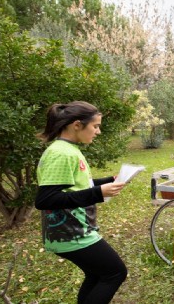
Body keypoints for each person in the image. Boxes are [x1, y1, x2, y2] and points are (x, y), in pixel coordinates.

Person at [35, 101, 128, 303]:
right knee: (115, 273)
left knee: (97, 274)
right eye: (95, 126)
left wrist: (106, 182)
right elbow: (46, 199)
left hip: (76, 230)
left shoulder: (68, 149)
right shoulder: (61, 153)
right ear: (77, 125)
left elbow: (73, 185)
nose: (98, 131)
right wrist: (97, 193)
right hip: (71, 233)